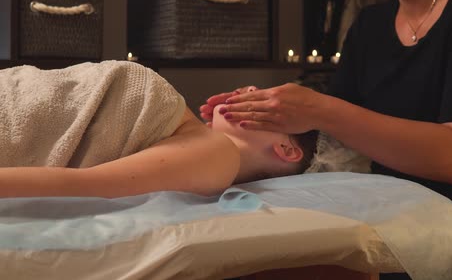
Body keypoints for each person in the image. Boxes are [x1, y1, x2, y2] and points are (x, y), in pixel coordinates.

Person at [199, 0, 452, 279]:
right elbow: (334, 146)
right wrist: (248, 133)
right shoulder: (369, 25)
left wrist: (319, 108)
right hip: (390, 223)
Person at [0, 62, 317, 199]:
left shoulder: (219, 154)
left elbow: (83, 187)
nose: (250, 87)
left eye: (271, 102)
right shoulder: (190, 133)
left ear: (287, 150)